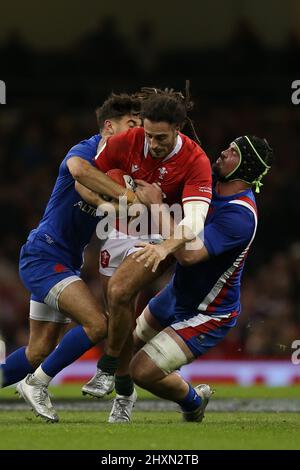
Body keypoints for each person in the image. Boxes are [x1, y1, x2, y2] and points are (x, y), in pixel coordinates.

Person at [0, 93, 141, 422]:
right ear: (109, 127)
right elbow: (78, 172)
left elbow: (103, 201)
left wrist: (122, 204)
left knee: (39, 350)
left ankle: (26, 373)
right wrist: (126, 197)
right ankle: (37, 384)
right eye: (130, 124)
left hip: (63, 260)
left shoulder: (117, 166)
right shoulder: (87, 150)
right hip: (44, 255)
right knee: (98, 324)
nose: (137, 132)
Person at [80, 89, 212, 423]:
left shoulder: (196, 160)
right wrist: (111, 198)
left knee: (121, 291)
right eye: (149, 136)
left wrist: (164, 246)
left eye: (161, 138)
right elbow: (87, 175)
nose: (153, 144)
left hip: (161, 232)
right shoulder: (129, 140)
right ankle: (130, 392)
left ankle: (108, 368)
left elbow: (194, 221)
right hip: (120, 228)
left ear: (179, 129)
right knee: (118, 307)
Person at [128, 135, 273, 422]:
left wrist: (156, 204)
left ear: (244, 167)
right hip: (176, 293)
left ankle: (194, 401)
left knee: (141, 371)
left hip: (208, 313)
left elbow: (189, 255)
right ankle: (136, 388)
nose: (222, 152)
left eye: (231, 152)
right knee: (127, 343)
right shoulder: (210, 186)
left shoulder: (240, 216)